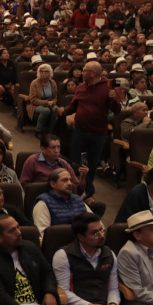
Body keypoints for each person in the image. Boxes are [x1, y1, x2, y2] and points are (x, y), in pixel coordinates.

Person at [63, 60, 122, 200]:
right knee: (76, 161)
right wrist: (62, 112)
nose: (81, 73)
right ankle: (76, 188)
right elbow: (73, 106)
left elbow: (117, 110)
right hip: (80, 131)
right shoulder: (81, 87)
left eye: (84, 70)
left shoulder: (108, 87)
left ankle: (87, 190)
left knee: (92, 163)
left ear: (93, 73)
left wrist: (114, 99)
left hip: (97, 133)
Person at [31, 168, 86, 237]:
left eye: (70, 180)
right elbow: (43, 236)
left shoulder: (77, 199)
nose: (70, 183)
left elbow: (93, 222)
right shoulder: (43, 203)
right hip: (60, 244)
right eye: (65, 180)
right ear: (53, 184)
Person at [27, 63, 59, 135]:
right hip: (35, 105)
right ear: (39, 72)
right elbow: (33, 100)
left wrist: (53, 102)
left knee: (55, 109)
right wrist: (46, 103)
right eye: (41, 71)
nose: (44, 73)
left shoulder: (53, 83)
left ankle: (51, 131)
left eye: (46, 71)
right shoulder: (34, 83)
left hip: (50, 103)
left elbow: (55, 97)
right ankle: (38, 130)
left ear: (50, 73)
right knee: (46, 110)